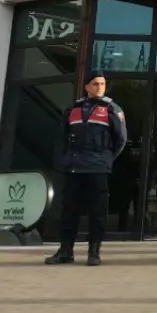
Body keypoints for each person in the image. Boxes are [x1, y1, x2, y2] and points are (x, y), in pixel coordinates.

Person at [46, 73, 127, 266]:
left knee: (97, 212)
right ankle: (65, 250)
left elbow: (121, 140)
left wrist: (106, 159)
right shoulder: (73, 109)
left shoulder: (112, 109)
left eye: (102, 84)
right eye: (95, 84)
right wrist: (65, 159)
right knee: (69, 211)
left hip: (97, 168)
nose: (100, 87)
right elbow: (63, 137)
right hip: (74, 167)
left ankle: (94, 252)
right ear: (86, 87)